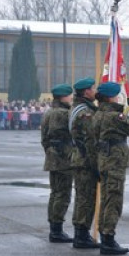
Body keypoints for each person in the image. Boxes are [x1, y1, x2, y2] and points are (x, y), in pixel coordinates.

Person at [90, 81, 129, 255]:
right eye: (117, 94)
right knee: (114, 201)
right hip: (114, 162)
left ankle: (106, 237)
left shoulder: (99, 114)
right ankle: (108, 239)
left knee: (107, 199)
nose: (119, 97)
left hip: (104, 161)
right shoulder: (112, 117)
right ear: (111, 97)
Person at [68, 77, 101, 249]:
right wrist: (96, 165)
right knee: (85, 198)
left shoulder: (80, 108)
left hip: (80, 159)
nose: (95, 90)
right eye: (93, 88)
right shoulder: (85, 112)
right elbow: (89, 142)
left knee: (83, 197)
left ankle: (81, 234)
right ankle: (81, 235)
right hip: (85, 161)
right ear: (86, 92)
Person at [41, 83, 75, 243]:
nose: (72, 98)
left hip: (53, 158)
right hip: (63, 159)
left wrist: (50, 152)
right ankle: (56, 230)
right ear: (63, 97)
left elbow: (44, 139)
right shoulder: (63, 113)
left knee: (55, 193)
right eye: (69, 95)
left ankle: (54, 228)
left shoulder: (49, 112)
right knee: (62, 194)